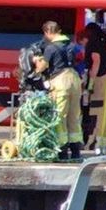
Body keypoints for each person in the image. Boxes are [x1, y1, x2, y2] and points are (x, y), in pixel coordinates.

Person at [33, 21, 83, 160]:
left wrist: (37, 61)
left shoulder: (51, 47)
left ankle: (62, 151)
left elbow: (42, 67)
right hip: (75, 80)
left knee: (59, 116)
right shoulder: (72, 45)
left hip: (60, 81)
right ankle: (76, 151)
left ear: (48, 32)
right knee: (74, 116)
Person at [80, 22, 106, 155]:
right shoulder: (104, 43)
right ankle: (101, 142)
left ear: (86, 37)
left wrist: (90, 85)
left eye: (82, 42)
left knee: (98, 112)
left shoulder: (93, 44)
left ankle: (95, 142)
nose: (82, 45)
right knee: (105, 112)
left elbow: (96, 62)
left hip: (101, 81)